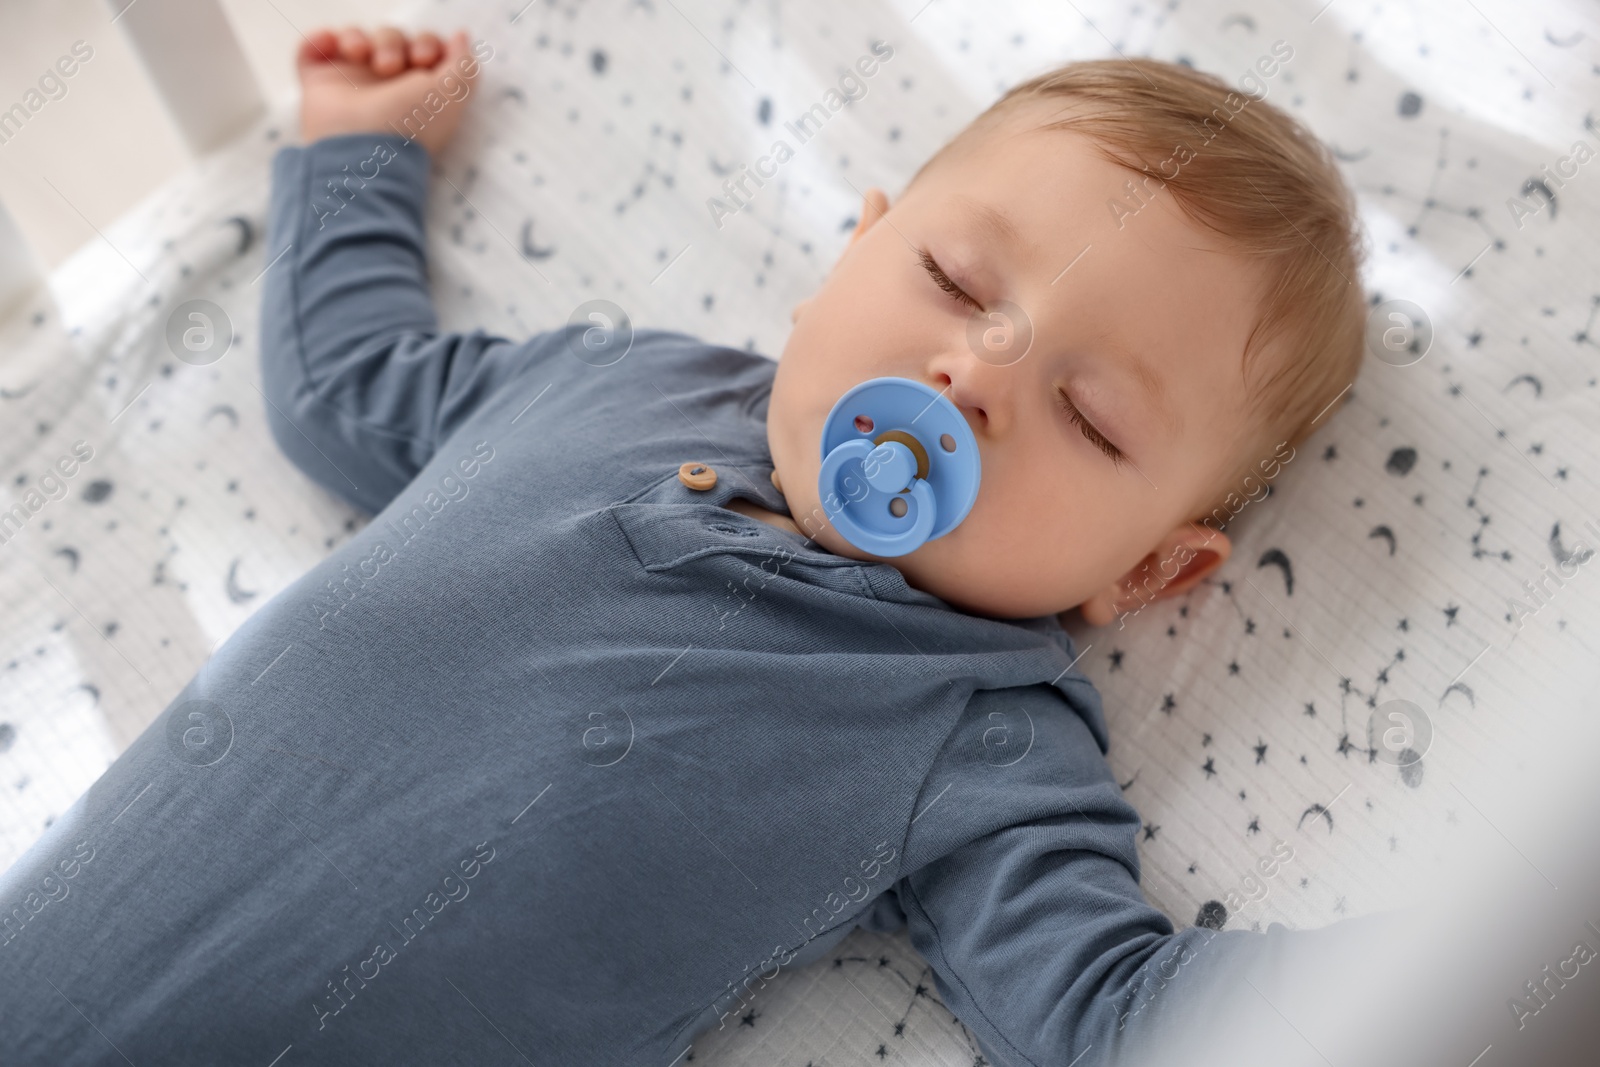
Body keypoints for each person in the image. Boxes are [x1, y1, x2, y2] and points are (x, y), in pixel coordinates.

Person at [0, 26, 1366, 1065]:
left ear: (1147, 572)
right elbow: (354, 391)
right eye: (955, 281)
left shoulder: (979, 735)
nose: (973, 375)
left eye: (1088, 414)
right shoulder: (614, 383)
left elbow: (1107, 1014)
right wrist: (361, 152)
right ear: (857, 244)